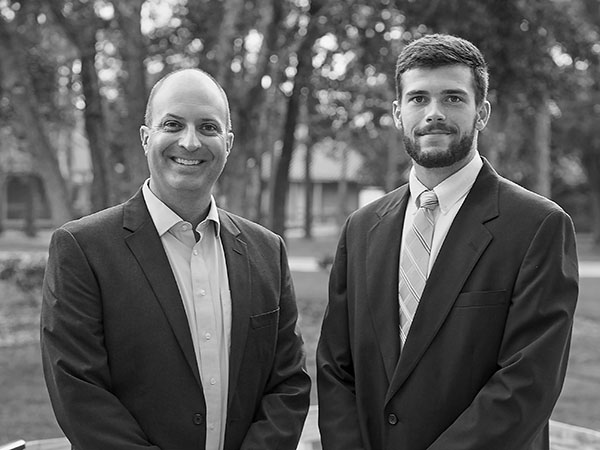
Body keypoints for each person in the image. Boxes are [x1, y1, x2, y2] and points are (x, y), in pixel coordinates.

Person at [317, 34, 578, 450]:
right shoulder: (362, 228)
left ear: (482, 113)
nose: (433, 113)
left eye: (453, 98)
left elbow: (527, 381)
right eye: (418, 99)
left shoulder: (538, 226)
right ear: (398, 112)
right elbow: (336, 367)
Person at [41, 68, 311, 450]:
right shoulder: (82, 248)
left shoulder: (267, 250)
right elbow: (79, 391)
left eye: (208, 127)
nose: (190, 142)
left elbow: (288, 382)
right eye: (173, 124)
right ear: (146, 136)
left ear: (228, 142)